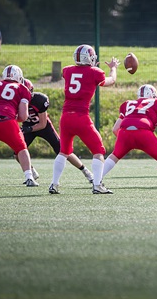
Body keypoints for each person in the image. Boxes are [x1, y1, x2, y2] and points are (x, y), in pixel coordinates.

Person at [48, 44, 119, 195]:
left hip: (65, 117)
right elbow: (111, 81)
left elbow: (81, 74)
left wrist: (91, 70)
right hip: (81, 117)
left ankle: (54, 184)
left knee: (64, 151)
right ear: (90, 58)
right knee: (98, 150)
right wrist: (113, 68)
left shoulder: (67, 70)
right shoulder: (95, 72)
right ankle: (97, 185)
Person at [102, 85, 157, 188]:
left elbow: (115, 129)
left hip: (125, 132)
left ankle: (97, 178)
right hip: (144, 132)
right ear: (152, 95)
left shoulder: (128, 104)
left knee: (114, 156)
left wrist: (126, 141)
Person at [19, 79, 94, 182]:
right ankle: (31, 172)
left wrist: (29, 129)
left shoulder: (39, 100)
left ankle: (86, 172)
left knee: (63, 150)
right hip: (27, 127)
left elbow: (42, 124)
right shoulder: (15, 101)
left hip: (43, 127)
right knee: (18, 152)